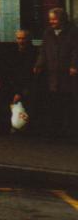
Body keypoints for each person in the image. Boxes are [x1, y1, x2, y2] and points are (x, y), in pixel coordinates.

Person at [33, 8, 78, 137]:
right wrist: (39, 64)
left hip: (68, 74)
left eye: (54, 19)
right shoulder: (48, 32)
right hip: (53, 74)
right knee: (54, 102)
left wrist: (74, 66)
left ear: (62, 19)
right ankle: (56, 131)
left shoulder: (73, 32)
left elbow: (76, 50)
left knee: (69, 102)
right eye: (50, 19)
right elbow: (43, 50)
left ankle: (71, 131)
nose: (51, 21)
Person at [0, 29, 37, 133]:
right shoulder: (12, 51)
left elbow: (29, 77)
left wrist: (19, 92)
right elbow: (5, 69)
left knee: (28, 94)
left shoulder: (34, 54)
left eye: (23, 38)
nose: (21, 41)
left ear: (28, 40)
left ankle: (22, 127)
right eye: (19, 38)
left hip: (25, 85)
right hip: (11, 84)